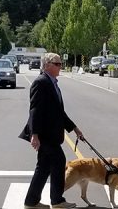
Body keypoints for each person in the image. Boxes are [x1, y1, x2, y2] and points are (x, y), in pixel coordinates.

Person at [19, 53, 84, 209]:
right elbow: (35, 110)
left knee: (43, 168)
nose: (60, 66)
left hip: (52, 135)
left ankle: (31, 202)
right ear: (47, 65)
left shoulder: (53, 83)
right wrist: (34, 135)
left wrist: (74, 128)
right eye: (57, 64)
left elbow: (59, 112)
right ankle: (57, 201)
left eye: (60, 63)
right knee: (59, 162)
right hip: (45, 135)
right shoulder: (41, 83)